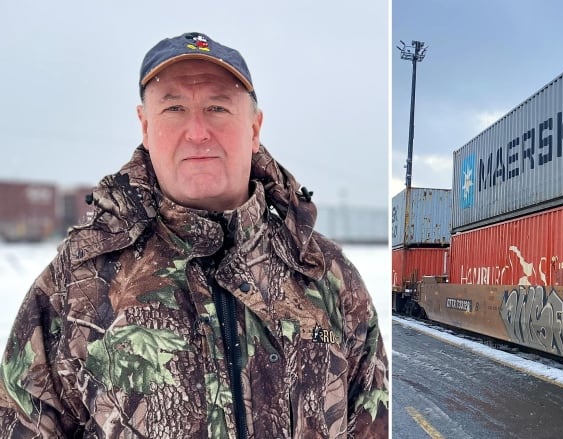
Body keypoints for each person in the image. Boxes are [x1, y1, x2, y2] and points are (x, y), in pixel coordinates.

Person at [0, 32, 388, 438]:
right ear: (145, 127)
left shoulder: (328, 279)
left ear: (254, 128)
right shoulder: (75, 284)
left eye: (218, 107)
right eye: (174, 108)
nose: (198, 131)